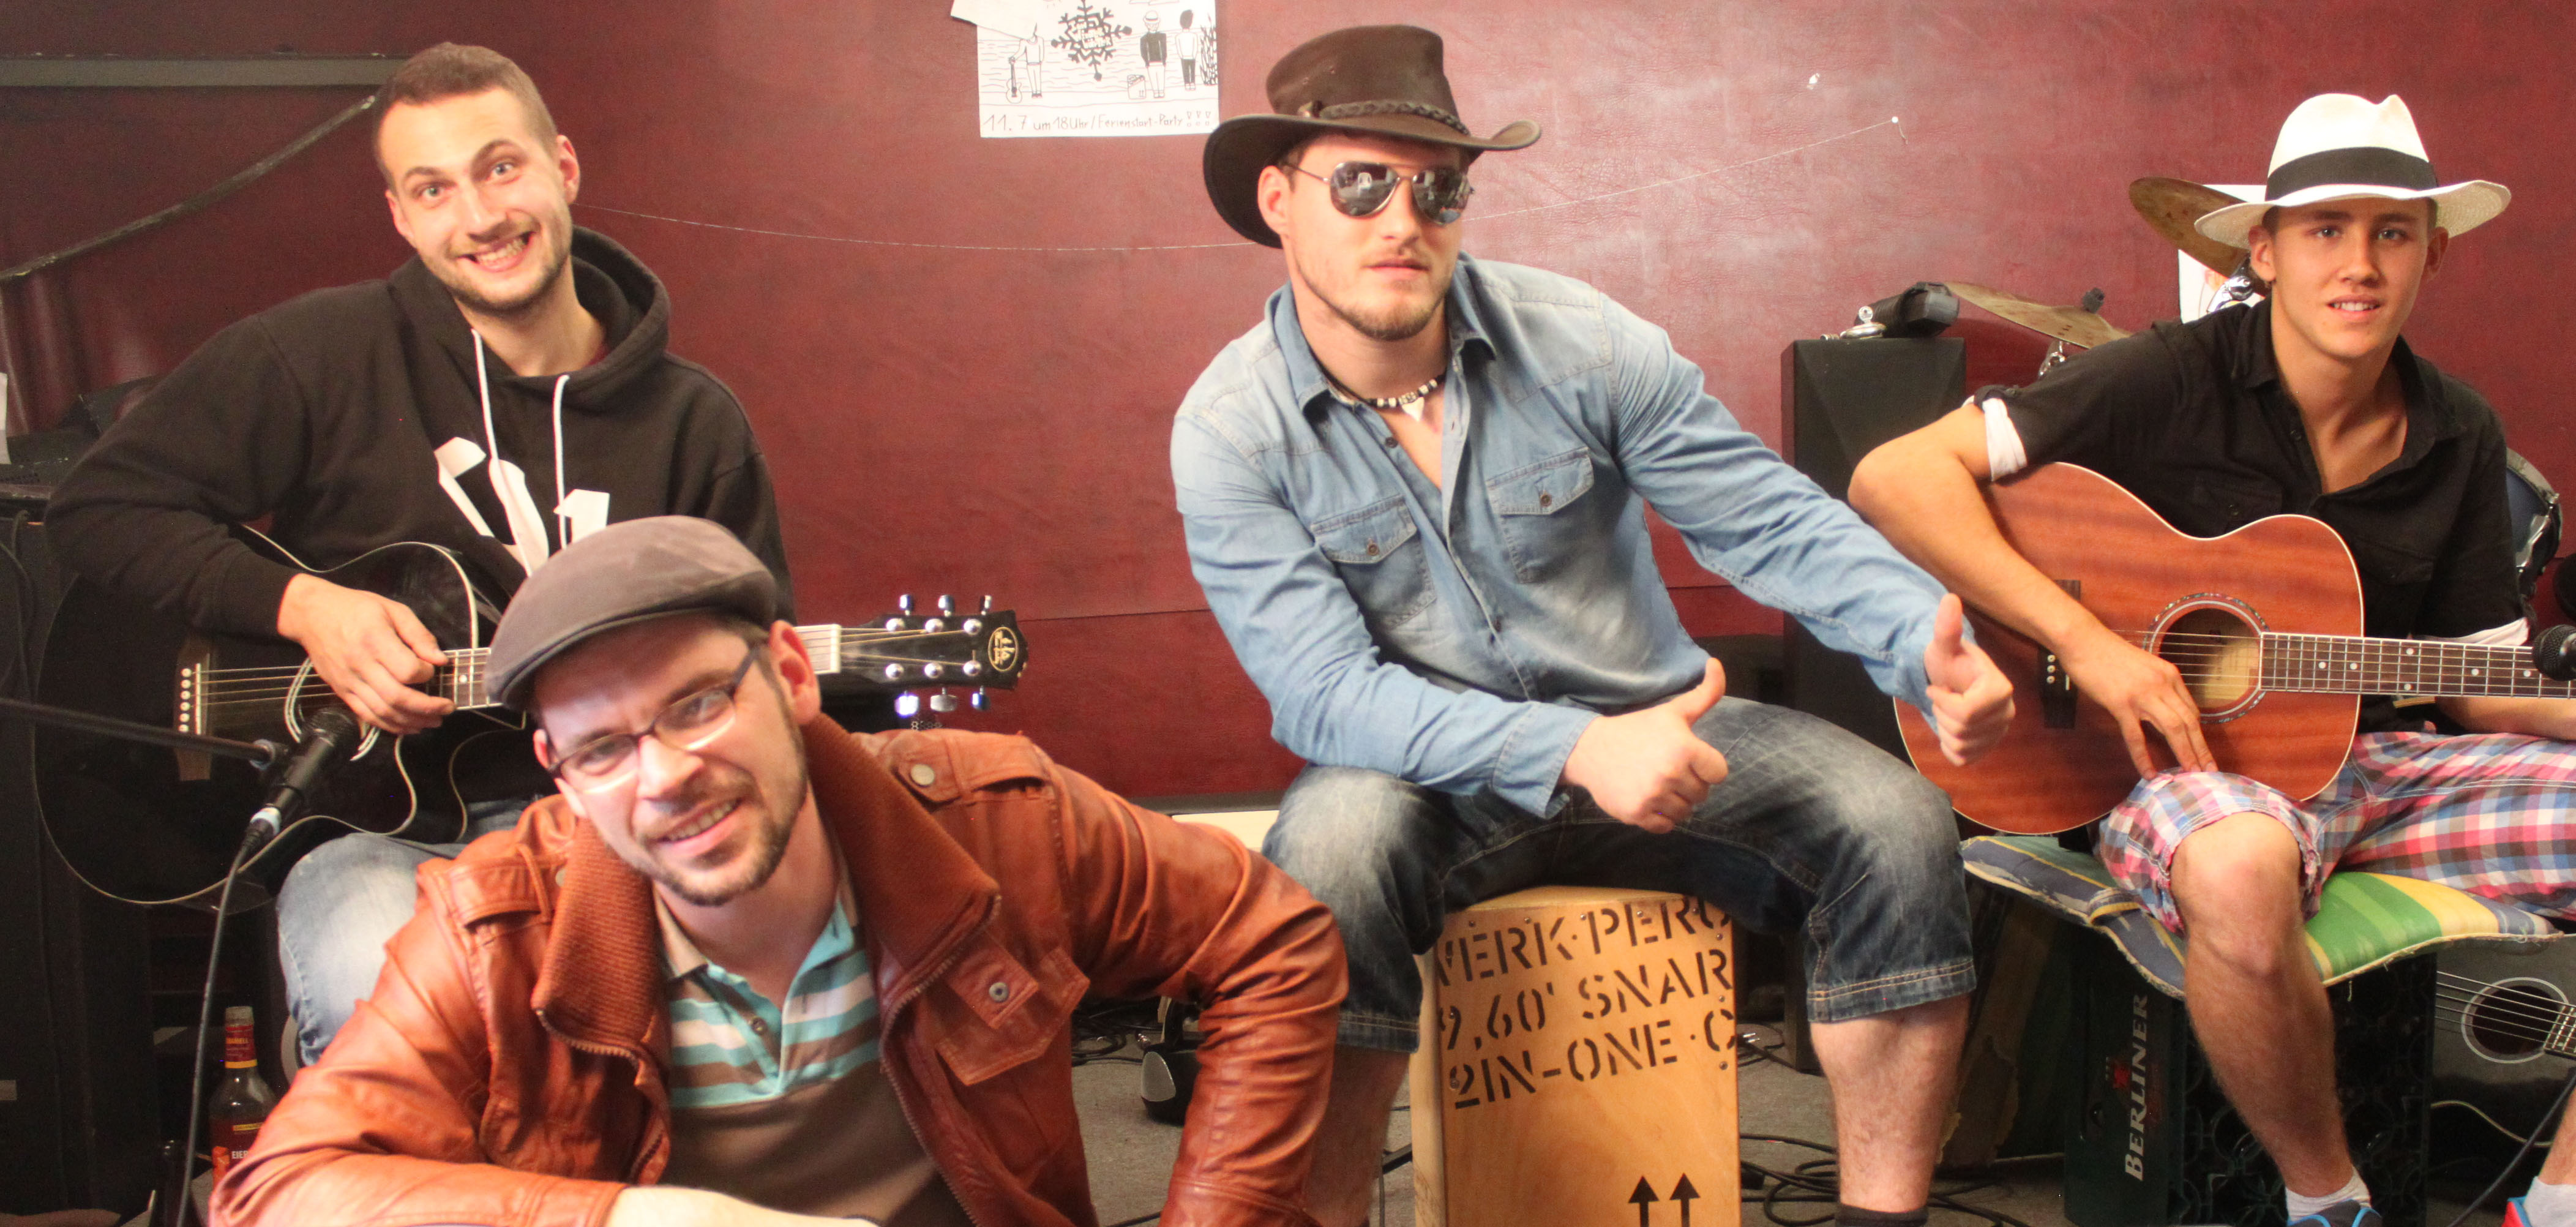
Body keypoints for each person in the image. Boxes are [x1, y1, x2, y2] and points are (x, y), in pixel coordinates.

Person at [1849, 94, 2576, 1227]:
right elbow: (1893, 478)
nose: (2360, 264)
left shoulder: (2458, 429)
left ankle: (2574, 1197)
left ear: (2432, 255)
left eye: (2393, 232)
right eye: (2325, 230)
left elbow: (2472, 680)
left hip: (2381, 769)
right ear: (2265, 250)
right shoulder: (2169, 374)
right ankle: (2330, 1204)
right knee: (2238, 865)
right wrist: (2091, 647)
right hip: (2180, 767)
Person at [1171, 26, 2013, 1227]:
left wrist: (1922, 637)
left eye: (1438, 189)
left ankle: (1886, 1218)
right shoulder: (1230, 429)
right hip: (1426, 777)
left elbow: (1765, 518)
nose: (1403, 220)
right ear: (1278, 201)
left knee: (1896, 821)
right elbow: (1324, 693)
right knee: (1330, 861)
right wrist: (1570, 749)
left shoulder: (1585, 341)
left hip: (1661, 732)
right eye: (1361, 184)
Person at [211, 517, 1344, 1227]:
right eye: (605, 750)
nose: (666, 777)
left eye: (699, 703)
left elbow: (1274, 939)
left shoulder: (994, 818)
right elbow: (277, 1192)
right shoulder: (493, 926)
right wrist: (647, 1223)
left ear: (792, 676)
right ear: (560, 774)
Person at [46, 42, 790, 1068]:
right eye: (434, 189)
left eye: (501, 168)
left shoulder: (694, 426)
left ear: (563, 168)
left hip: (620, 823)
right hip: (369, 834)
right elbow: (99, 508)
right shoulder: (316, 355)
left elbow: (759, 678)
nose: (479, 217)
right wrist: (304, 606)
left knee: (688, 1019)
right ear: (400, 215)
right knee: (379, 980)